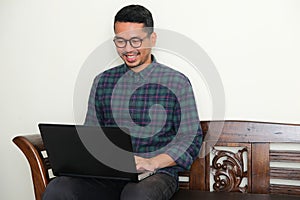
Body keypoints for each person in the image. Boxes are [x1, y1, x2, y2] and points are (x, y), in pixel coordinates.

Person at [42, 4, 202, 200]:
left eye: (135, 41)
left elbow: (190, 138)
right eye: (120, 41)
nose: (128, 49)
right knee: (59, 188)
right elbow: (91, 133)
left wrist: (152, 163)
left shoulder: (177, 82)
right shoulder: (102, 81)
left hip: (156, 174)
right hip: (108, 175)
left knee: (137, 195)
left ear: (152, 39)